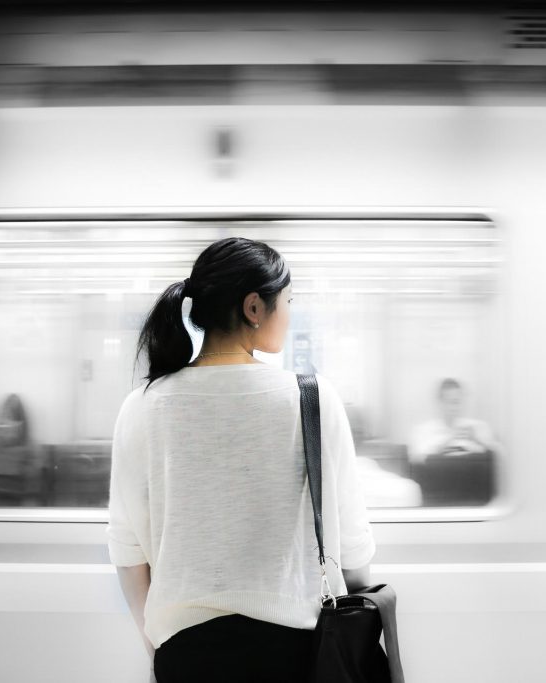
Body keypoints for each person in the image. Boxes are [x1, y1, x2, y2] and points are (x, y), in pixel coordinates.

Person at [107, 237, 376, 683]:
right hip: (296, 653)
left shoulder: (141, 405)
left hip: (185, 655)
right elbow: (351, 544)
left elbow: (128, 550)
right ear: (254, 307)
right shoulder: (313, 398)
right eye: (287, 301)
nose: (289, 314)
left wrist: (157, 649)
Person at [407, 378, 501, 464]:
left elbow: (500, 456)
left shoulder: (477, 427)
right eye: (450, 402)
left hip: (472, 477)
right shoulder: (423, 430)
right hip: (437, 478)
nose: (454, 407)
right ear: (440, 402)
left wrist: (476, 440)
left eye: (457, 402)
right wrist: (448, 440)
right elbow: (415, 460)